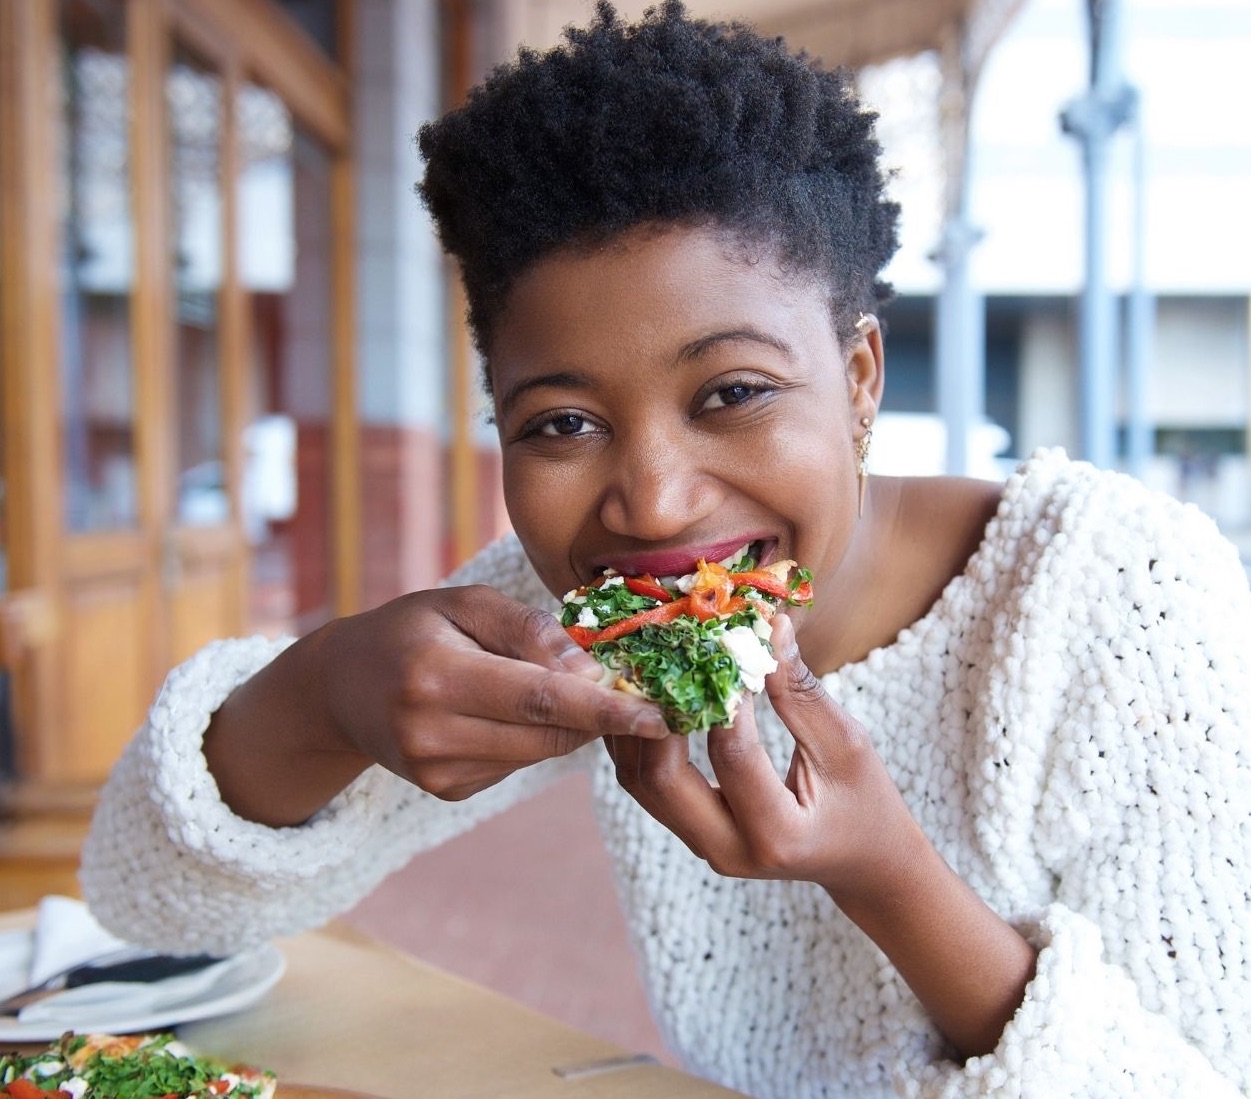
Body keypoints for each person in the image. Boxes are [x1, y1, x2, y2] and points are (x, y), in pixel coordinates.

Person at [81, 3, 1251, 1096]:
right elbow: (150, 899)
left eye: (733, 392)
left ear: (858, 379)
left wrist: (889, 876)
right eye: (561, 423)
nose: (651, 504)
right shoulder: (586, 618)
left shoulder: (1118, 596)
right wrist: (322, 697)